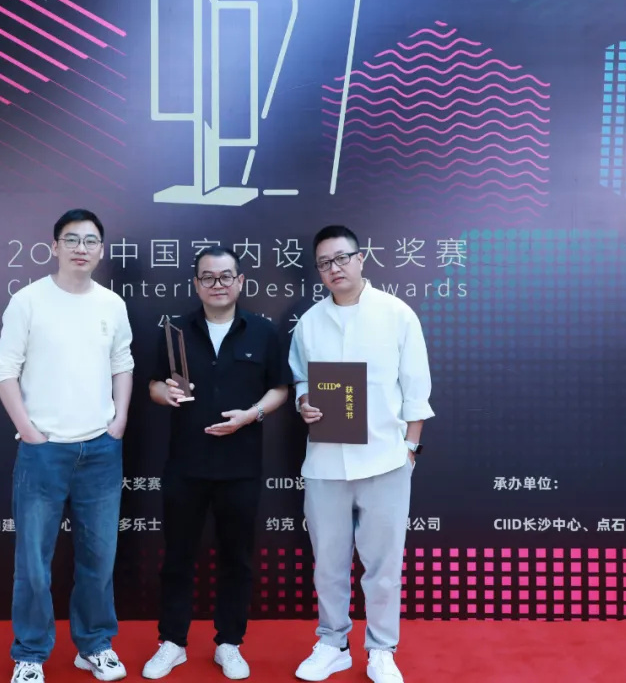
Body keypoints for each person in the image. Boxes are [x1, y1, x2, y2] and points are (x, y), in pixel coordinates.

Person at [0, 209, 134, 683]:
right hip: (43, 451)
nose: (81, 248)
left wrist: (118, 421)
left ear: (101, 250)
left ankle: (95, 646)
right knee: (33, 563)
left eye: (90, 241)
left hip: (101, 450)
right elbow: (4, 369)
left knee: (99, 559)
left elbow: (122, 362)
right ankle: (30, 654)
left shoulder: (111, 304)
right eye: (71, 239)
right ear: (54, 247)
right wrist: (29, 431)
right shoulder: (28, 301)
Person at [287, 225, 434, 683]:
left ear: (360, 258)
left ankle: (382, 650)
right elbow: (300, 379)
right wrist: (303, 401)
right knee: (328, 564)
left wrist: (409, 449)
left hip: (386, 460)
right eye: (324, 263)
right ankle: (333, 643)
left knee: (383, 566)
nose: (334, 268)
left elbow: (417, 390)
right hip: (325, 462)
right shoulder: (310, 322)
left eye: (341, 258)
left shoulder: (396, 314)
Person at [141, 245, 291, 681]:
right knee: (177, 557)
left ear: (240, 281)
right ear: (196, 284)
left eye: (226, 276)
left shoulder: (263, 331)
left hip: (240, 466)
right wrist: (163, 394)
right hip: (185, 464)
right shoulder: (174, 332)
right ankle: (172, 642)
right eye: (208, 277)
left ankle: (229, 642)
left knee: (236, 559)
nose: (217, 284)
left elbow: (280, 388)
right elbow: (153, 384)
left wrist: (251, 415)